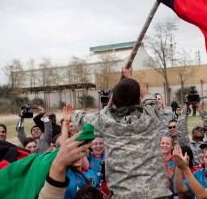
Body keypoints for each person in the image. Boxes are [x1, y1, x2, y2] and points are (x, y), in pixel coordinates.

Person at [70, 67, 172, 197]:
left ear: (114, 101)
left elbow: (78, 118)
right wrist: (129, 78)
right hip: (155, 194)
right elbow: (148, 96)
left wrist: (108, 106)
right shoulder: (150, 116)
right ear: (139, 101)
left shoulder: (105, 122)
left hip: (123, 195)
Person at [38, 132, 93, 199]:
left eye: (79, 152)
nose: (76, 158)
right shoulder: (65, 175)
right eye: (71, 154)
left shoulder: (90, 173)